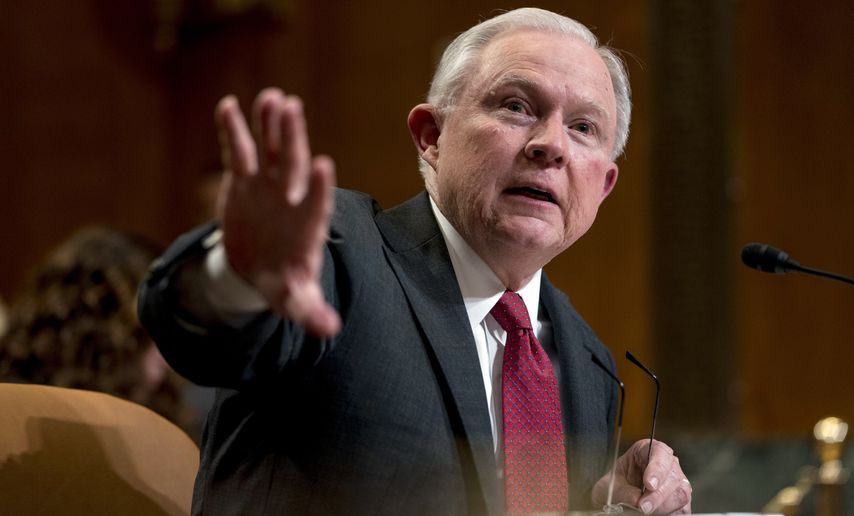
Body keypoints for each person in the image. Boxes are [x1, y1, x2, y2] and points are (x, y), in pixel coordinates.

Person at [139, 7, 692, 515]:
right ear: (431, 136)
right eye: (517, 106)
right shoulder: (340, 253)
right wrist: (239, 280)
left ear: (605, 185)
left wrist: (606, 503)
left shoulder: (588, 365)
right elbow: (199, 333)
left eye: (583, 127)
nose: (551, 145)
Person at [0, 227, 192, 431]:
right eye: (148, 335)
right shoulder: (14, 412)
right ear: (102, 339)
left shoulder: (160, 417)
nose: (166, 362)